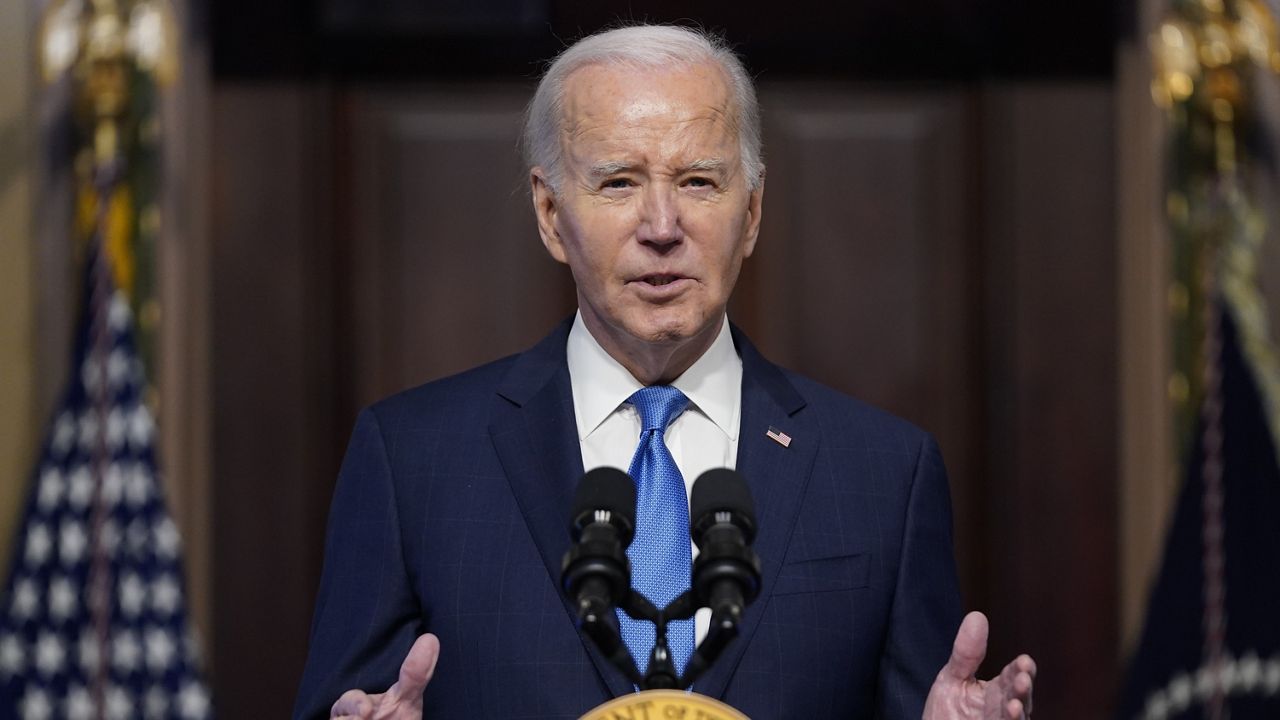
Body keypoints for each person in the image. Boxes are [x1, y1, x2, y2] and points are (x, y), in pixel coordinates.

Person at [293, 24, 1036, 720]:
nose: (661, 227)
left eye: (698, 183)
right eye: (618, 182)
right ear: (551, 215)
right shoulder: (414, 459)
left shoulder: (884, 473)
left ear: (751, 213)